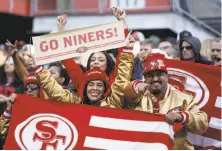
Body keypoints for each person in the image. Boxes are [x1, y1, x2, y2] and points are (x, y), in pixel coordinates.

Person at [124, 53, 208, 149]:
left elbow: (202, 124)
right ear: (144, 78)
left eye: (159, 74)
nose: (155, 79)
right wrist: (135, 84)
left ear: (167, 76)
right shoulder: (137, 95)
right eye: (150, 75)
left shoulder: (184, 98)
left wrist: (182, 116)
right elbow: (121, 92)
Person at [30, 34, 137, 107]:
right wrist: (39, 69)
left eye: (99, 85)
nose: (94, 88)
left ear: (106, 89)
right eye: (90, 85)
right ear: (84, 88)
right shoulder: (76, 102)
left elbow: (123, 70)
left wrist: (126, 47)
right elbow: (56, 91)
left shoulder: (113, 101)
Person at [58, 7, 129, 95]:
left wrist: (122, 22)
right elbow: (66, 59)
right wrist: (61, 29)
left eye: (101, 60)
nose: (96, 62)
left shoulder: (114, 79)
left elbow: (124, 57)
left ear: (108, 64)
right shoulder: (81, 79)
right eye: (92, 60)